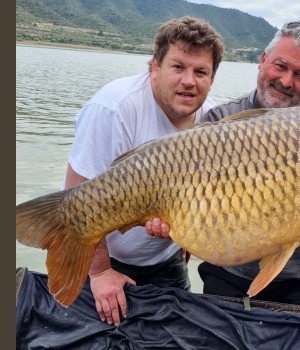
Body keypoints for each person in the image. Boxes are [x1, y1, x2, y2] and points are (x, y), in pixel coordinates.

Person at [147, 21, 300, 307]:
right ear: (262, 61)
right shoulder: (217, 121)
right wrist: (172, 224)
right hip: (228, 277)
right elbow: (186, 195)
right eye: (280, 66)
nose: (286, 81)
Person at [63, 16, 224, 326]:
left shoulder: (212, 120)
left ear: (211, 78)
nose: (189, 81)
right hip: (100, 254)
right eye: (178, 67)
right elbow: (75, 198)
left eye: (200, 71)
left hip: (163, 258)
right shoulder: (114, 107)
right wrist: (99, 272)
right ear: (155, 67)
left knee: (180, 332)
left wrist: (188, 235)